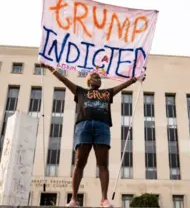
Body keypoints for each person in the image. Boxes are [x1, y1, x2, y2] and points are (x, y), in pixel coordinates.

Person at [40, 63, 145, 207]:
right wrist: (50, 68)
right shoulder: (80, 92)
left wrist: (136, 78)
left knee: (103, 164)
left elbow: (122, 86)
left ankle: (104, 199)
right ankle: (74, 199)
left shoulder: (107, 93)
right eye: (95, 76)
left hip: (102, 127)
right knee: (79, 162)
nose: (98, 78)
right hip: (84, 126)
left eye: (99, 77)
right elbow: (64, 80)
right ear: (89, 80)